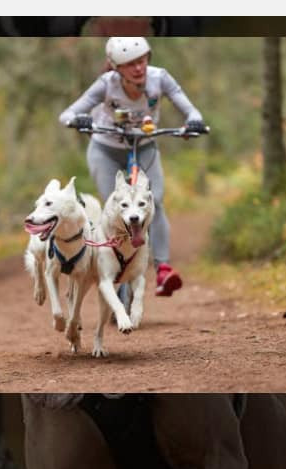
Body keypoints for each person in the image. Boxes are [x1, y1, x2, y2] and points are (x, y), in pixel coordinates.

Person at [59, 37, 208, 296]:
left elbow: (191, 110)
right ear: (117, 67)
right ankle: (116, 272)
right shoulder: (106, 84)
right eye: (130, 64)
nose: (138, 68)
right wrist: (79, 120)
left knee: (155, 201)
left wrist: (193, 122)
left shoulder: (160, 78)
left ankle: (162, 269)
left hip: (145, 147)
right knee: (117, 209)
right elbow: (68, 114)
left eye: (141, 61)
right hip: (105, 150)